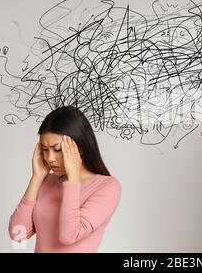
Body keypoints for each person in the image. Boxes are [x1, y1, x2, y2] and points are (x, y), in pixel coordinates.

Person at [9, 106, 121, 252]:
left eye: (58, 150)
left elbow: (69, 235)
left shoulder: (107, 187)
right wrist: (36, 178)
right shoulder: (45, 182)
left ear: (79, 148)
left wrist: (72, 179)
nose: (50, 159)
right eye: (44, 149)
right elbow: (18, 235)